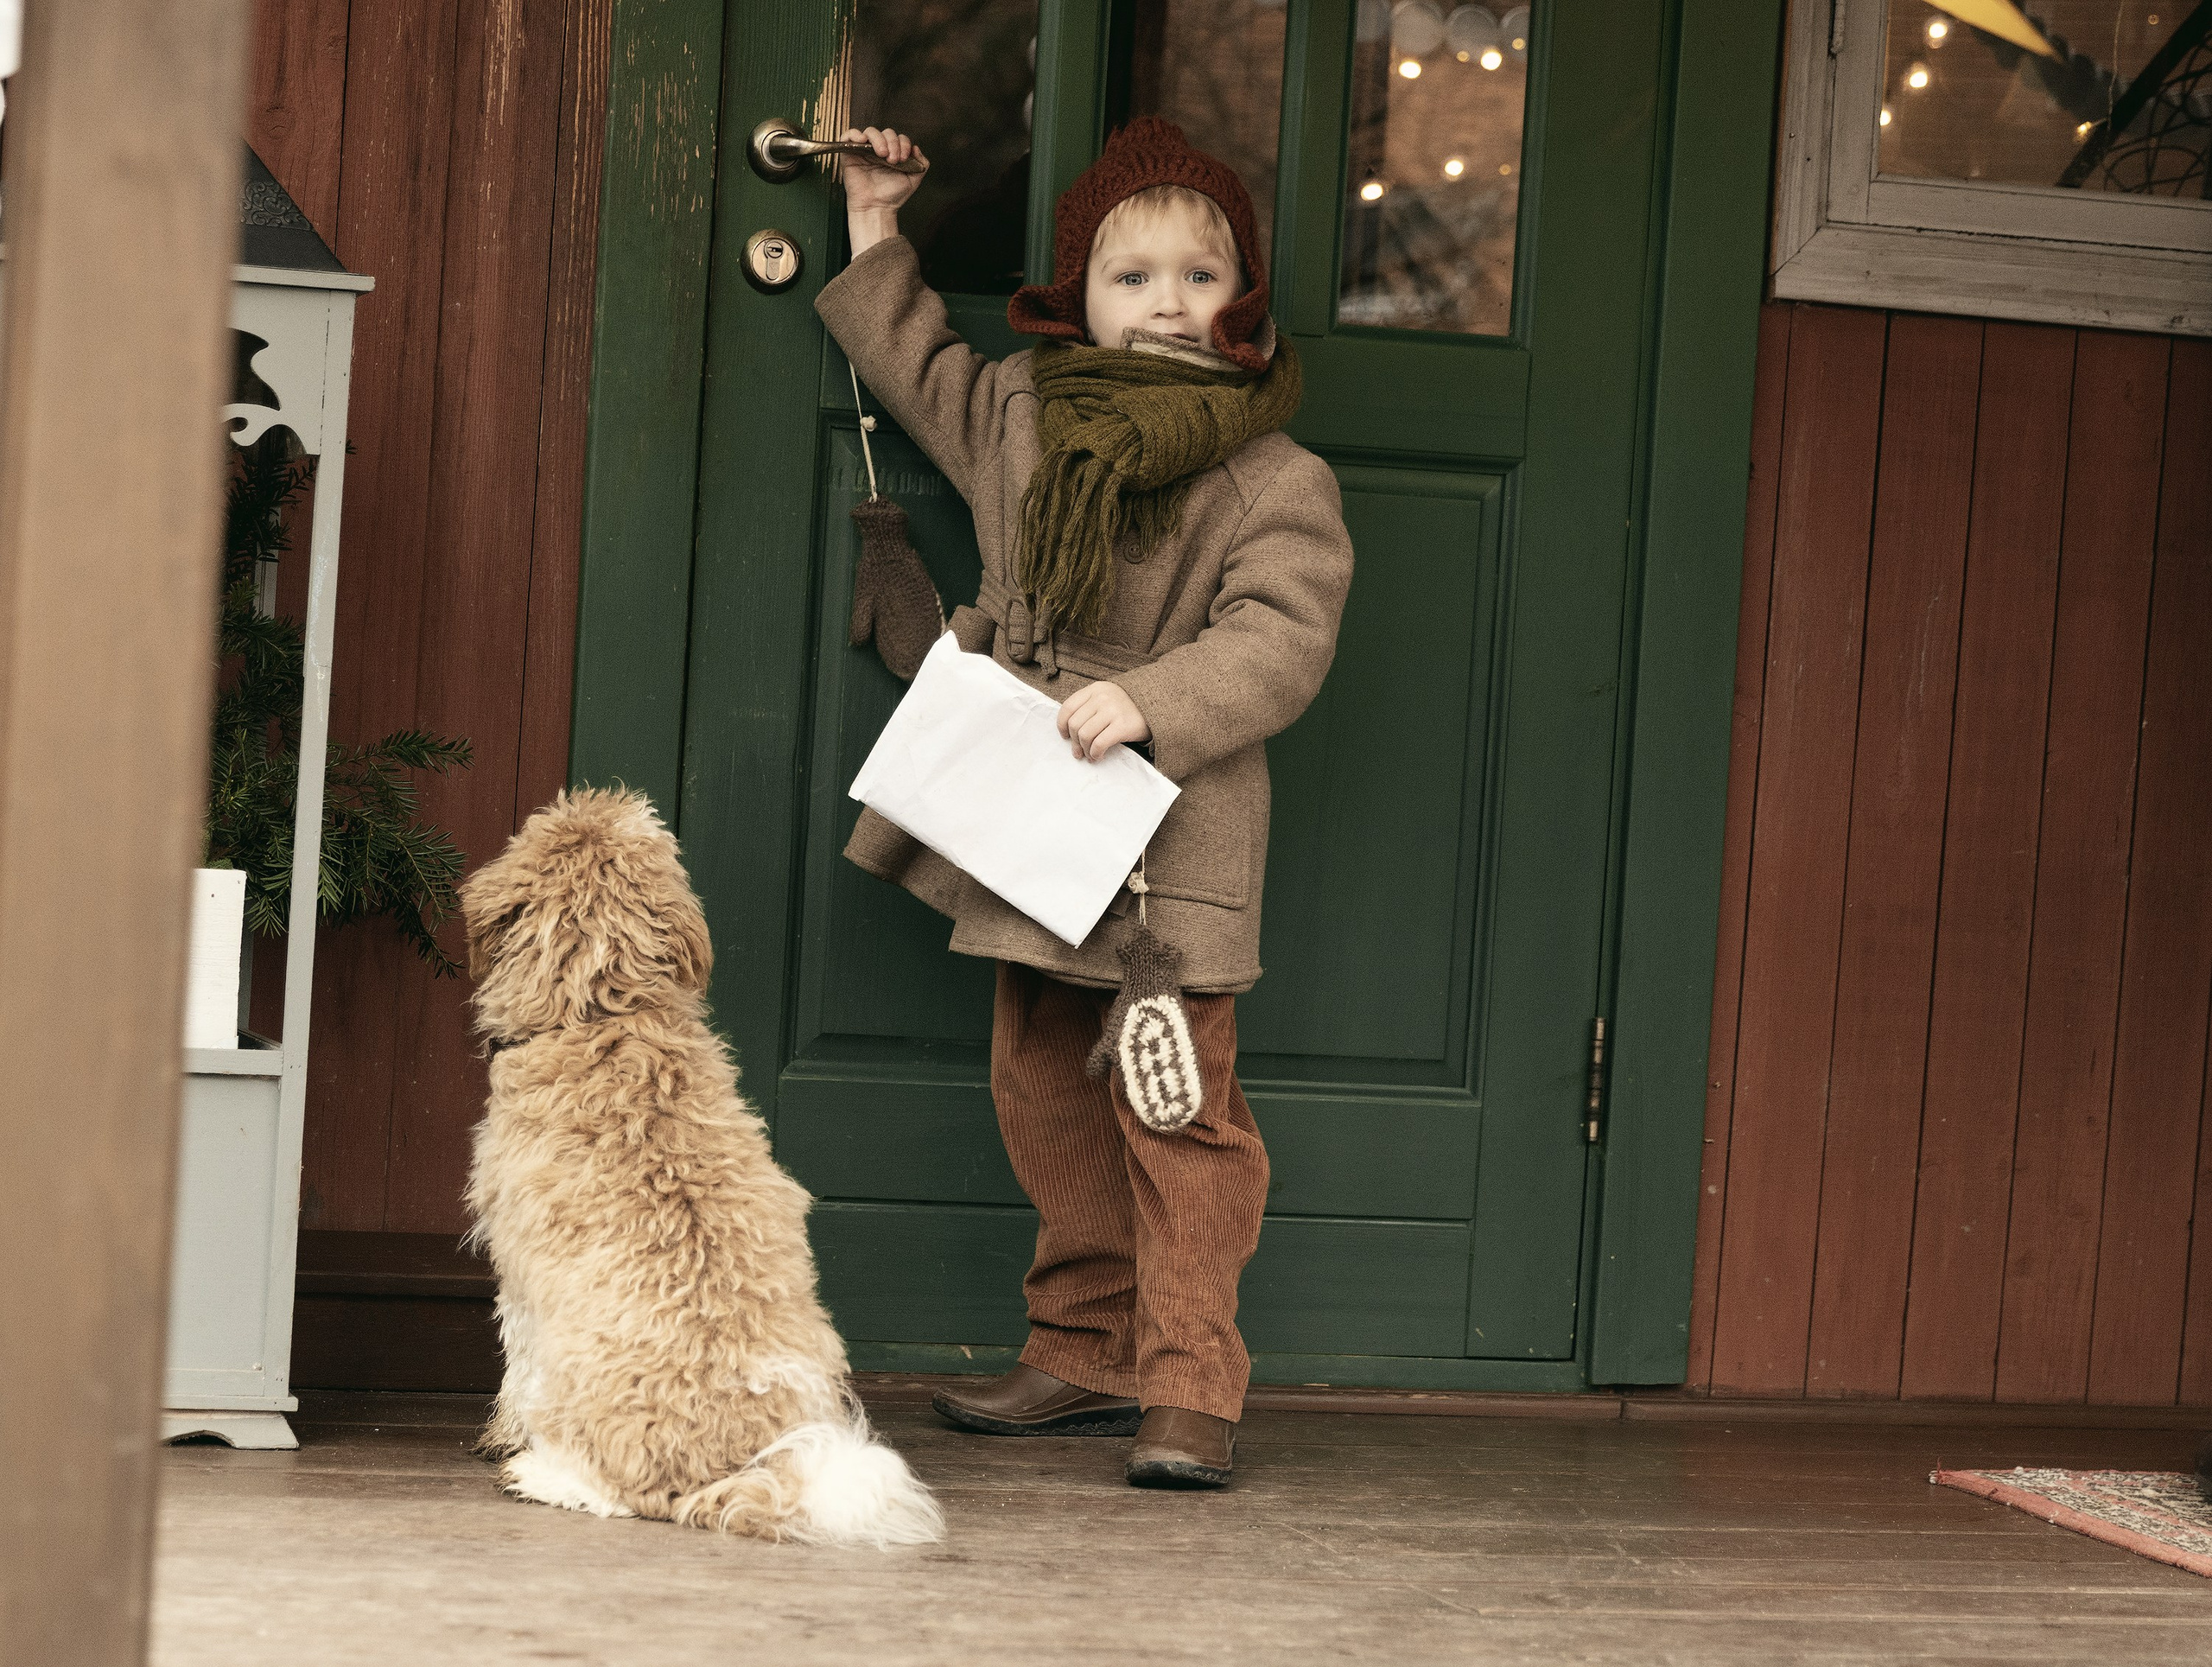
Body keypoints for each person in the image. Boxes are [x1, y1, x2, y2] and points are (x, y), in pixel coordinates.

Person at [819, 116, 1353, 1489]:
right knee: (1043, 1087)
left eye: (1199, 274)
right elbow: (913, 360)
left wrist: (1156, 701)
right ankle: (1082, 1347)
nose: (1168, 301)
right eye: (1132, 277)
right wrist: (876, 220)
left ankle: (1189, 1380)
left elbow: (1280, 640)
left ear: (1243, 299)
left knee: (1177, 1114)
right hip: (1028, 810)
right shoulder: (1019, 415)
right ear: (1077, 299)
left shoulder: (1275, 478)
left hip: (1170, 845)